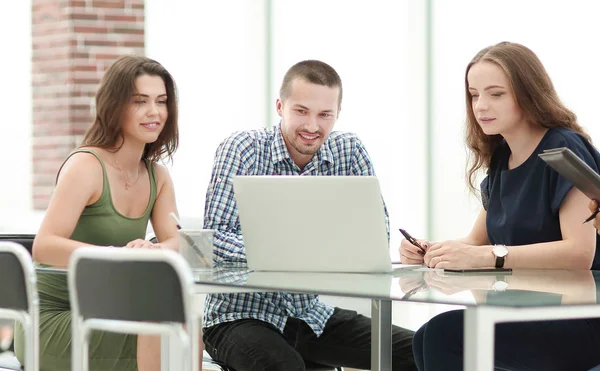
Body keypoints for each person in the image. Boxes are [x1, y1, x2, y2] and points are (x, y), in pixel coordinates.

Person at [201, 60, 416, 371]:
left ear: (337, 114)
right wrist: (293, 255)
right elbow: (215, 238)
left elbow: (372, 239)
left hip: (309, 315)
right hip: (237, 317)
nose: (313, 126)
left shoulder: (349, 151)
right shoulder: (243, 148)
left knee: (423, 350)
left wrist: (282, 253)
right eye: (301, 111)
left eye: (324, 115)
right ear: (280, 106)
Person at [400, 41, 600, 371]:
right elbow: (476, 242)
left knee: (443, 335)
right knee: (424, 337)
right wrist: (428, 249)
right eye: (474, 95)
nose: (480, 106)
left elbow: (579, 254)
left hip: (579, 319)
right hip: (526, 310)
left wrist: (489, 257)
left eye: (496, 94)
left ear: (527, 93)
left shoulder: (563, 146)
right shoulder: (502, 159)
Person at [13, 55, 195, 371]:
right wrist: (117, 256)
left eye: (161, 101)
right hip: (55, 319)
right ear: (115, 106)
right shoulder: (86, 166)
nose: (154, 112)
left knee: (183, 324)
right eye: (140, 101)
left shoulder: (158, 177)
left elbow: (178, 243)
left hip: (109, 308)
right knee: (165, 333)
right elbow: (45, 245)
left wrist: (151, 249)